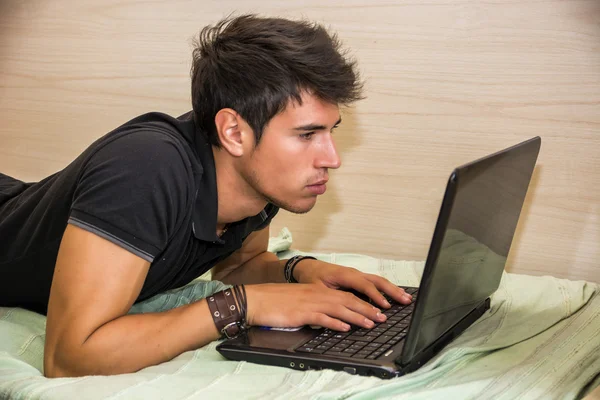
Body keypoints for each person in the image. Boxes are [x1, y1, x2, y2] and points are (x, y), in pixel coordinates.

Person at [0, 14, 412, 378]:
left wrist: (301, 272)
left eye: (330, 130)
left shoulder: (252, 181)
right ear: (234, 132)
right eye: (306, 134)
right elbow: (70, 357)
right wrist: (240, 306)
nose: (332, 159)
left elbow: (237, 265)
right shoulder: (145, 169)